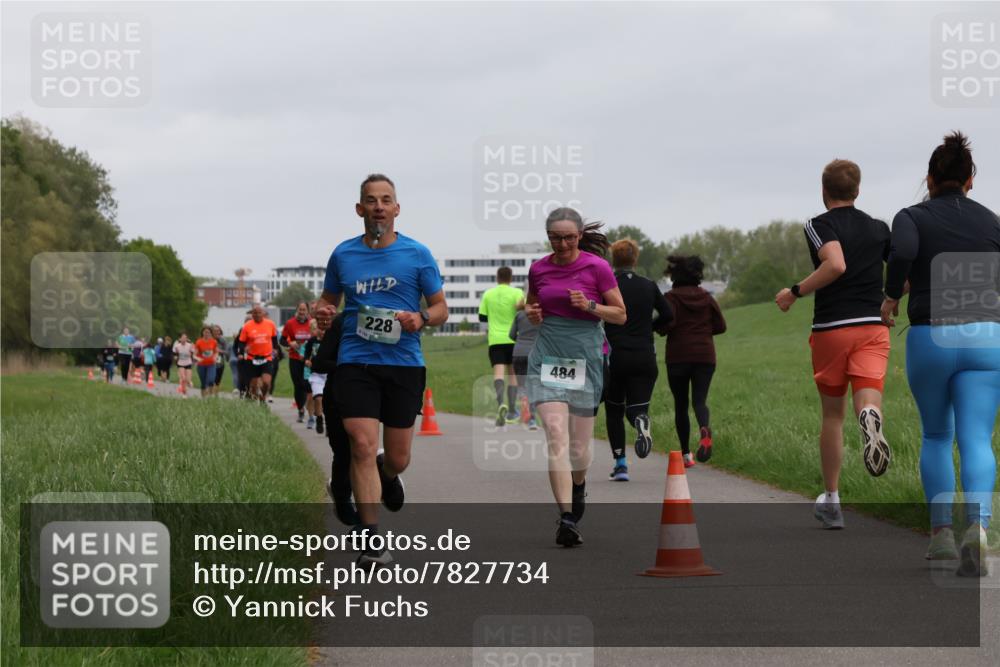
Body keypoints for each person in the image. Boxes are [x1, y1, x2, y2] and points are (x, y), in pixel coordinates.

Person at [314, 173, 448, 567]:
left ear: (396, 209)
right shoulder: (343, 255)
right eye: (371, 200)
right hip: (356, 361)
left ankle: (386, 475)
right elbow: (327, 302)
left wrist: (421, 318)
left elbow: (441, 309)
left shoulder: (417, 254)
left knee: (399, 457)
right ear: (360, 209)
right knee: (360, 444)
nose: (378, 207)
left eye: (385, 200)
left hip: (403, 364)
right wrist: (323, 314)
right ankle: (371, 540)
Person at [881, 131, 1000, 575]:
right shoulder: (992, 220)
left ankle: (942, 537)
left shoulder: (911, 216)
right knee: (976, 438)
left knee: (935, 436)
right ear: (970, 180)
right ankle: (979, 529)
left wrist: (892, 295)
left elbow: (906, 250)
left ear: (929, 179)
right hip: (987, 337)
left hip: (931, 335)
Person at [775, 159, 892, 530]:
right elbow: (903, 275)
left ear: (824, 191)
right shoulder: (879, 228)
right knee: (868, 397)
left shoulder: (818, 224)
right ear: (857, 191)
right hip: (873, 327)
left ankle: (832, 500)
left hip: (832, 328)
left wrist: (795, 292)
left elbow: (835, 263)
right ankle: (869, 419)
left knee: (832, 416)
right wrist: (894, 296)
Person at [524, 208, 626, 547]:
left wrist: (591, 306)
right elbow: (533, 306)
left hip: (586, 357)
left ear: (579, 235)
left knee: (579, 450)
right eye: (556, 237)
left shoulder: (597, 267)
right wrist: (533, 313)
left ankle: (578, 485)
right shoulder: (538, 268)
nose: (563, 243)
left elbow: (621, 315)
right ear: (548, 237)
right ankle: (566, 517)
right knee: (556, 434)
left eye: (569, 237)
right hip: (547, 357)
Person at [604, 239, 673, 482]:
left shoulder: (608, 286)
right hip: (645, 355)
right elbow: (668, 314)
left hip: (616, 356)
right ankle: (641, 422)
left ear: (613, 259)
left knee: (614, 410)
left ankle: (621, 464)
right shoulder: (648, 285)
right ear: (635, 259)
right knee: (637, 408)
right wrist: (649, 328)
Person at [660, 256, 726, 469]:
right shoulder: (707, 297)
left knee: (681, 405)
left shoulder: (671, 298)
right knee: (700, 401)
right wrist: (704, 332)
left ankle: (687, 455)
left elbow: (666, 324)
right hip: (705, 356)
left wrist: (659, 329)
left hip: (678, 356)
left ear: (676, 275)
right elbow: (721, 326)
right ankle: (704, 429)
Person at [310, 310, 360, 526]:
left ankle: (364, 524)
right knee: (344, 453)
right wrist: (349, 366)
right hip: (338, 394)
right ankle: (342, 497)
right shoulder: (342, 322)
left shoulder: (390, 318)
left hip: (368, 397)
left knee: (362, 452)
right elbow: (319, 363)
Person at [479, 266, 525, 425]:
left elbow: (482, 318)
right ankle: (512, 410)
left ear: (497, 277)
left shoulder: (488, 294)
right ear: (511, 278)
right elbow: (523, 312)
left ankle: (501, 404)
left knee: (498, 373)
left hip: (495, 340)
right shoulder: (517, 293)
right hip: (514, 339)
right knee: (512, 375)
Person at [239, 305, 280, 404]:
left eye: (259, 312)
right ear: (252, 314)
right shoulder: (247, 326)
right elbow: (241, 342)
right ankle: (253, 404)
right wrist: (243, 350)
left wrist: (275, 349)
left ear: (263, 313)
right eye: (255, 313)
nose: (257, 315)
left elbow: (274, 339)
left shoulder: (270, 324)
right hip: (252, 358)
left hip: (266, 358)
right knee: (253, 386)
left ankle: (262, 399)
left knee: (266, 382)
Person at [509, 304, 541, 430]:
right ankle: (532, 419)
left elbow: (511, 335)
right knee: (534, 386)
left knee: (522, 386)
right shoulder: (542, 314)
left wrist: (522, 340)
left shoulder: (519, 314)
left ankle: (524, 412)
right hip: (536, 353)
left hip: (519, 352)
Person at [282, 302, 314, 422]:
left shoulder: (312, 322)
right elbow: (282, 340)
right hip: (294, 358)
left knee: (306, 384)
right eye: (300, 309)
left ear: (308, 311)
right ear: (297, 310)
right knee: (298, 385)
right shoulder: (290, 323)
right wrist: (291, 343)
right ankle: (300, 409)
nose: (302, 312)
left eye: (304, 310)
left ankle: (309, 406)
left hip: (308, 360)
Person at [303, 319, 327, 434]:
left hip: (329, 374)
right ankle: (319, 418)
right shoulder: (311, 341)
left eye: (324, 330)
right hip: (316, 374)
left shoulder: (331, 341)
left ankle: (329, 424)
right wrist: (307, 360)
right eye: (320, 329)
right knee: (318, 398)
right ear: (315, 330)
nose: (322, 332)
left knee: (329, 402)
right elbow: (306, 355)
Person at [194, 326, 219, 397]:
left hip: (211, 364)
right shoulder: (199, 342)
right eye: (205, 332)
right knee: (203, 382)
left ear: (211, 333)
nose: (206, 334)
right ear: (202, 333)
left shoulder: (214, 342)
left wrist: (215, 357)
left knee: (211, 380)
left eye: (208, 332)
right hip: (201, 365)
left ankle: (210, 395)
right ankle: (203, 398)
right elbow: (194, 354)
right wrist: (198, 359)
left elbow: (216, 352)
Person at [212, 324, 228, 396]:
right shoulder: (209, 339)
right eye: (215, 331)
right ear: (212, 332)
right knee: (211, 377)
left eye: (218, 331)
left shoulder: (223, 340)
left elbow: (227, 351)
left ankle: (216, 394)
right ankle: (210, 392)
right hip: (210, 362)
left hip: (220, 362)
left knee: (218, 379)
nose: (217, 332)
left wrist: (219, 351)